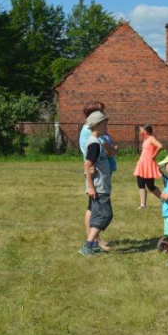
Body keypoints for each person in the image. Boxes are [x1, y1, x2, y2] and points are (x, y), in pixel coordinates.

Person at [78, 102, 115, 252]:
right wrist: (91, 187)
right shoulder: (94, 143)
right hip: (99, 186)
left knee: (97, 215)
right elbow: (88, 164)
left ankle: (92, 244)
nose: (106, 126)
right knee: (105, 215)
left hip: (100, 185)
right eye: (104, 124)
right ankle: (88, 245)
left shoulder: (98, 141)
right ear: (98, 125)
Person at [134, 124, 163, 209]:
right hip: (142, 165)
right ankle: (143, 205)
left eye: (141, 130)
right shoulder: (145, 139)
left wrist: (154, 155)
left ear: (146, 131)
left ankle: (165, 200)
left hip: (148, 165)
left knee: (150, 186)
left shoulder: (151, 138)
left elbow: (160, 146)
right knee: (140, 184)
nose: (140, 132)